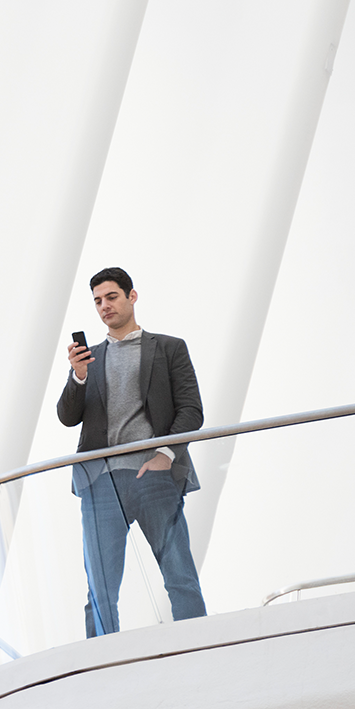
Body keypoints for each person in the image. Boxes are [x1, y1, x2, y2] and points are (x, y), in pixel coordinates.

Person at [58, 267, 207, 637]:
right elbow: (67, 417)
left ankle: (202, 650)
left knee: (180, 576)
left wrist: (165, 455)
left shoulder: (169, 348)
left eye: (111, 297)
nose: (104, 306)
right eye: (97, 301)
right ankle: (102, 669)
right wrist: (77, 376)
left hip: (153, 478)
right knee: (100, 590)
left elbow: (191, 410)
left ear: (131, 297)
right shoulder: (89, 360)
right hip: (101, 483)